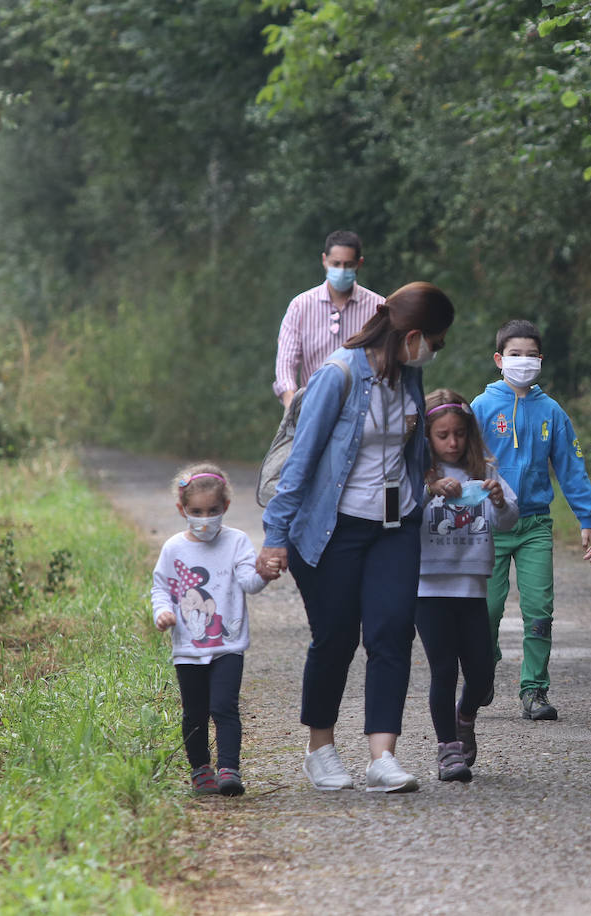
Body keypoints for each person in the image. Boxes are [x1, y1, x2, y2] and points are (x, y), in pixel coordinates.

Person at [258, 281, 455, 793]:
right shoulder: (337, 376)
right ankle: (320, 747)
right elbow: (300, 464)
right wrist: (275, 536)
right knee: (337, 638)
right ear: (412, 334)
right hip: (332, 530)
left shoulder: (408, 379)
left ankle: (381, 757)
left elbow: (408, 451)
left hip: (395, 527)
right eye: (435, 339)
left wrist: (427, 484)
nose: (436, 350)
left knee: (391, 635)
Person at [471, 319, 591, 721]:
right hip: (488, 525)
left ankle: (534, 690)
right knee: (486, 610)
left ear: (540, 360)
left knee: (539, 610)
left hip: (535, 526)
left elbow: (571, 467)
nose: (523, 362)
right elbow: (461, 460)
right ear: (499, 359)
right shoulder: (481, 407)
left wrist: (587, 519)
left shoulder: (551, 411)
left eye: (530, 355)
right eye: (515, 355)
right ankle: (482, 670)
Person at [151, 463, 275, 797]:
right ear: (182, 510)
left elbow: (249, 582)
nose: (205, 518)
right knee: (195, 712)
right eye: (196, 511)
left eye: (212, 511)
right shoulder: (174, 548)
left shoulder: (236, 542)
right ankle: (200, 769)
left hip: (227, 645)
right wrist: (162, 612)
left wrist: (265, 572)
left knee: (224, 706)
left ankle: (229, 769)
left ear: (226, 508)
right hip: (188, 648)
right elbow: (161, 587)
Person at [415, 389, 518, 782]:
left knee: (481, 672)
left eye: (459, 434)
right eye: (443, 435)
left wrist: (499, 502)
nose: (453, 443)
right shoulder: (417, 474)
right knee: (443, 669)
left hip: (472, 588)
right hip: (428, 588)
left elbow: (508, 521)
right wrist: (429, 491)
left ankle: (466, 715)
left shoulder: (484, 470)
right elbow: (401, 516)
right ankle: (448, 750)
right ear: (427, 437)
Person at [273, 230, 386, 408]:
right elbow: (286, 361)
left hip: (362, 410)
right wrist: (291, 404)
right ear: (324, 260)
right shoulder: (301, 306)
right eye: (336, 264)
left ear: (359, 264)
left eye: (348, 265)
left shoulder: (378, 308)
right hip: (313, 406)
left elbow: (387, 361)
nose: (341, 271)